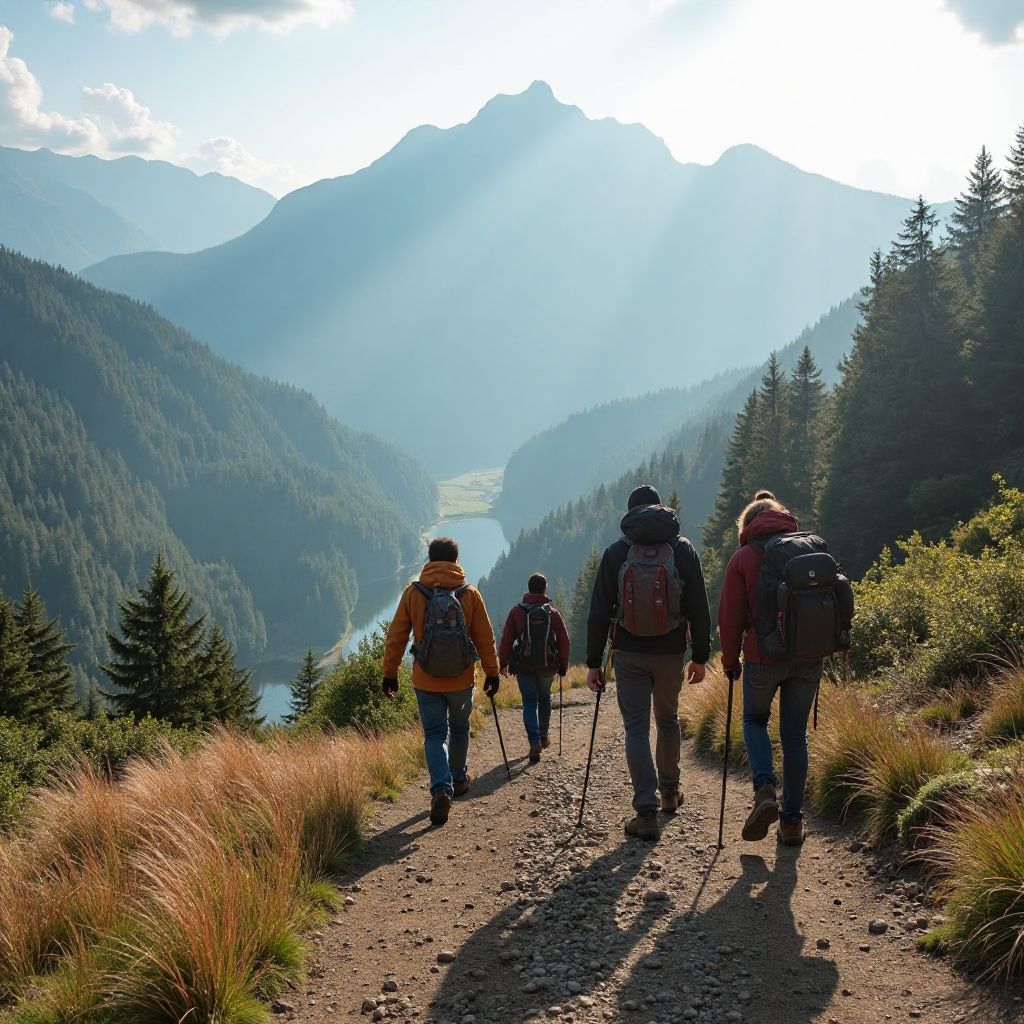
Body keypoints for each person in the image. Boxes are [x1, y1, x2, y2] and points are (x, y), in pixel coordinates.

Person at [586, 485, 711, 840]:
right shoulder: (682, 550)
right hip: (671, 651)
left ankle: (646, 811)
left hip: (628, 652)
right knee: (668, 719)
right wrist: (700, 656)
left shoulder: (617, 552)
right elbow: (700, 608)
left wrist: (593, 662)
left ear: (629, 516)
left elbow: (598, 613)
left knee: (637, 728)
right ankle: (670, 793)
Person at [717, 492, 822, 847]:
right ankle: (792, 823)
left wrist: (730, 662)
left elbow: (730, 619)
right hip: (808, 657)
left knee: (754, 721)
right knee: (795, 735)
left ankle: (764, 789)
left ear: (748, 525)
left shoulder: (744, 558)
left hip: (763, 658)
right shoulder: (810, 548)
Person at [382, 536, 500, 827]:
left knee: (435, 734)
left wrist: (390, 672)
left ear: (430, 559)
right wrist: (492, 672)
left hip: (426, 679)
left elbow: (396, 635)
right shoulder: (470, 593)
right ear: (456, 561)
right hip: (461, 679)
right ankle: (458, 779)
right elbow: (485, 638)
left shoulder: (414, 592)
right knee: (460, 727)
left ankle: (440, 789)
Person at [498, 573, 570, 763]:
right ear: (545, 589)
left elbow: (506, 639)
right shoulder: (551, 613)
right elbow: (564, 640)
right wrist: (563, 664)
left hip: (524, 665)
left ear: (528, 588)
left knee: (529, 701)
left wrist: (503, 662)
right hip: (548, 665)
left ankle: (534, 741)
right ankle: (544, 735)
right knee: (544, 698)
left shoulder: (517, 611)